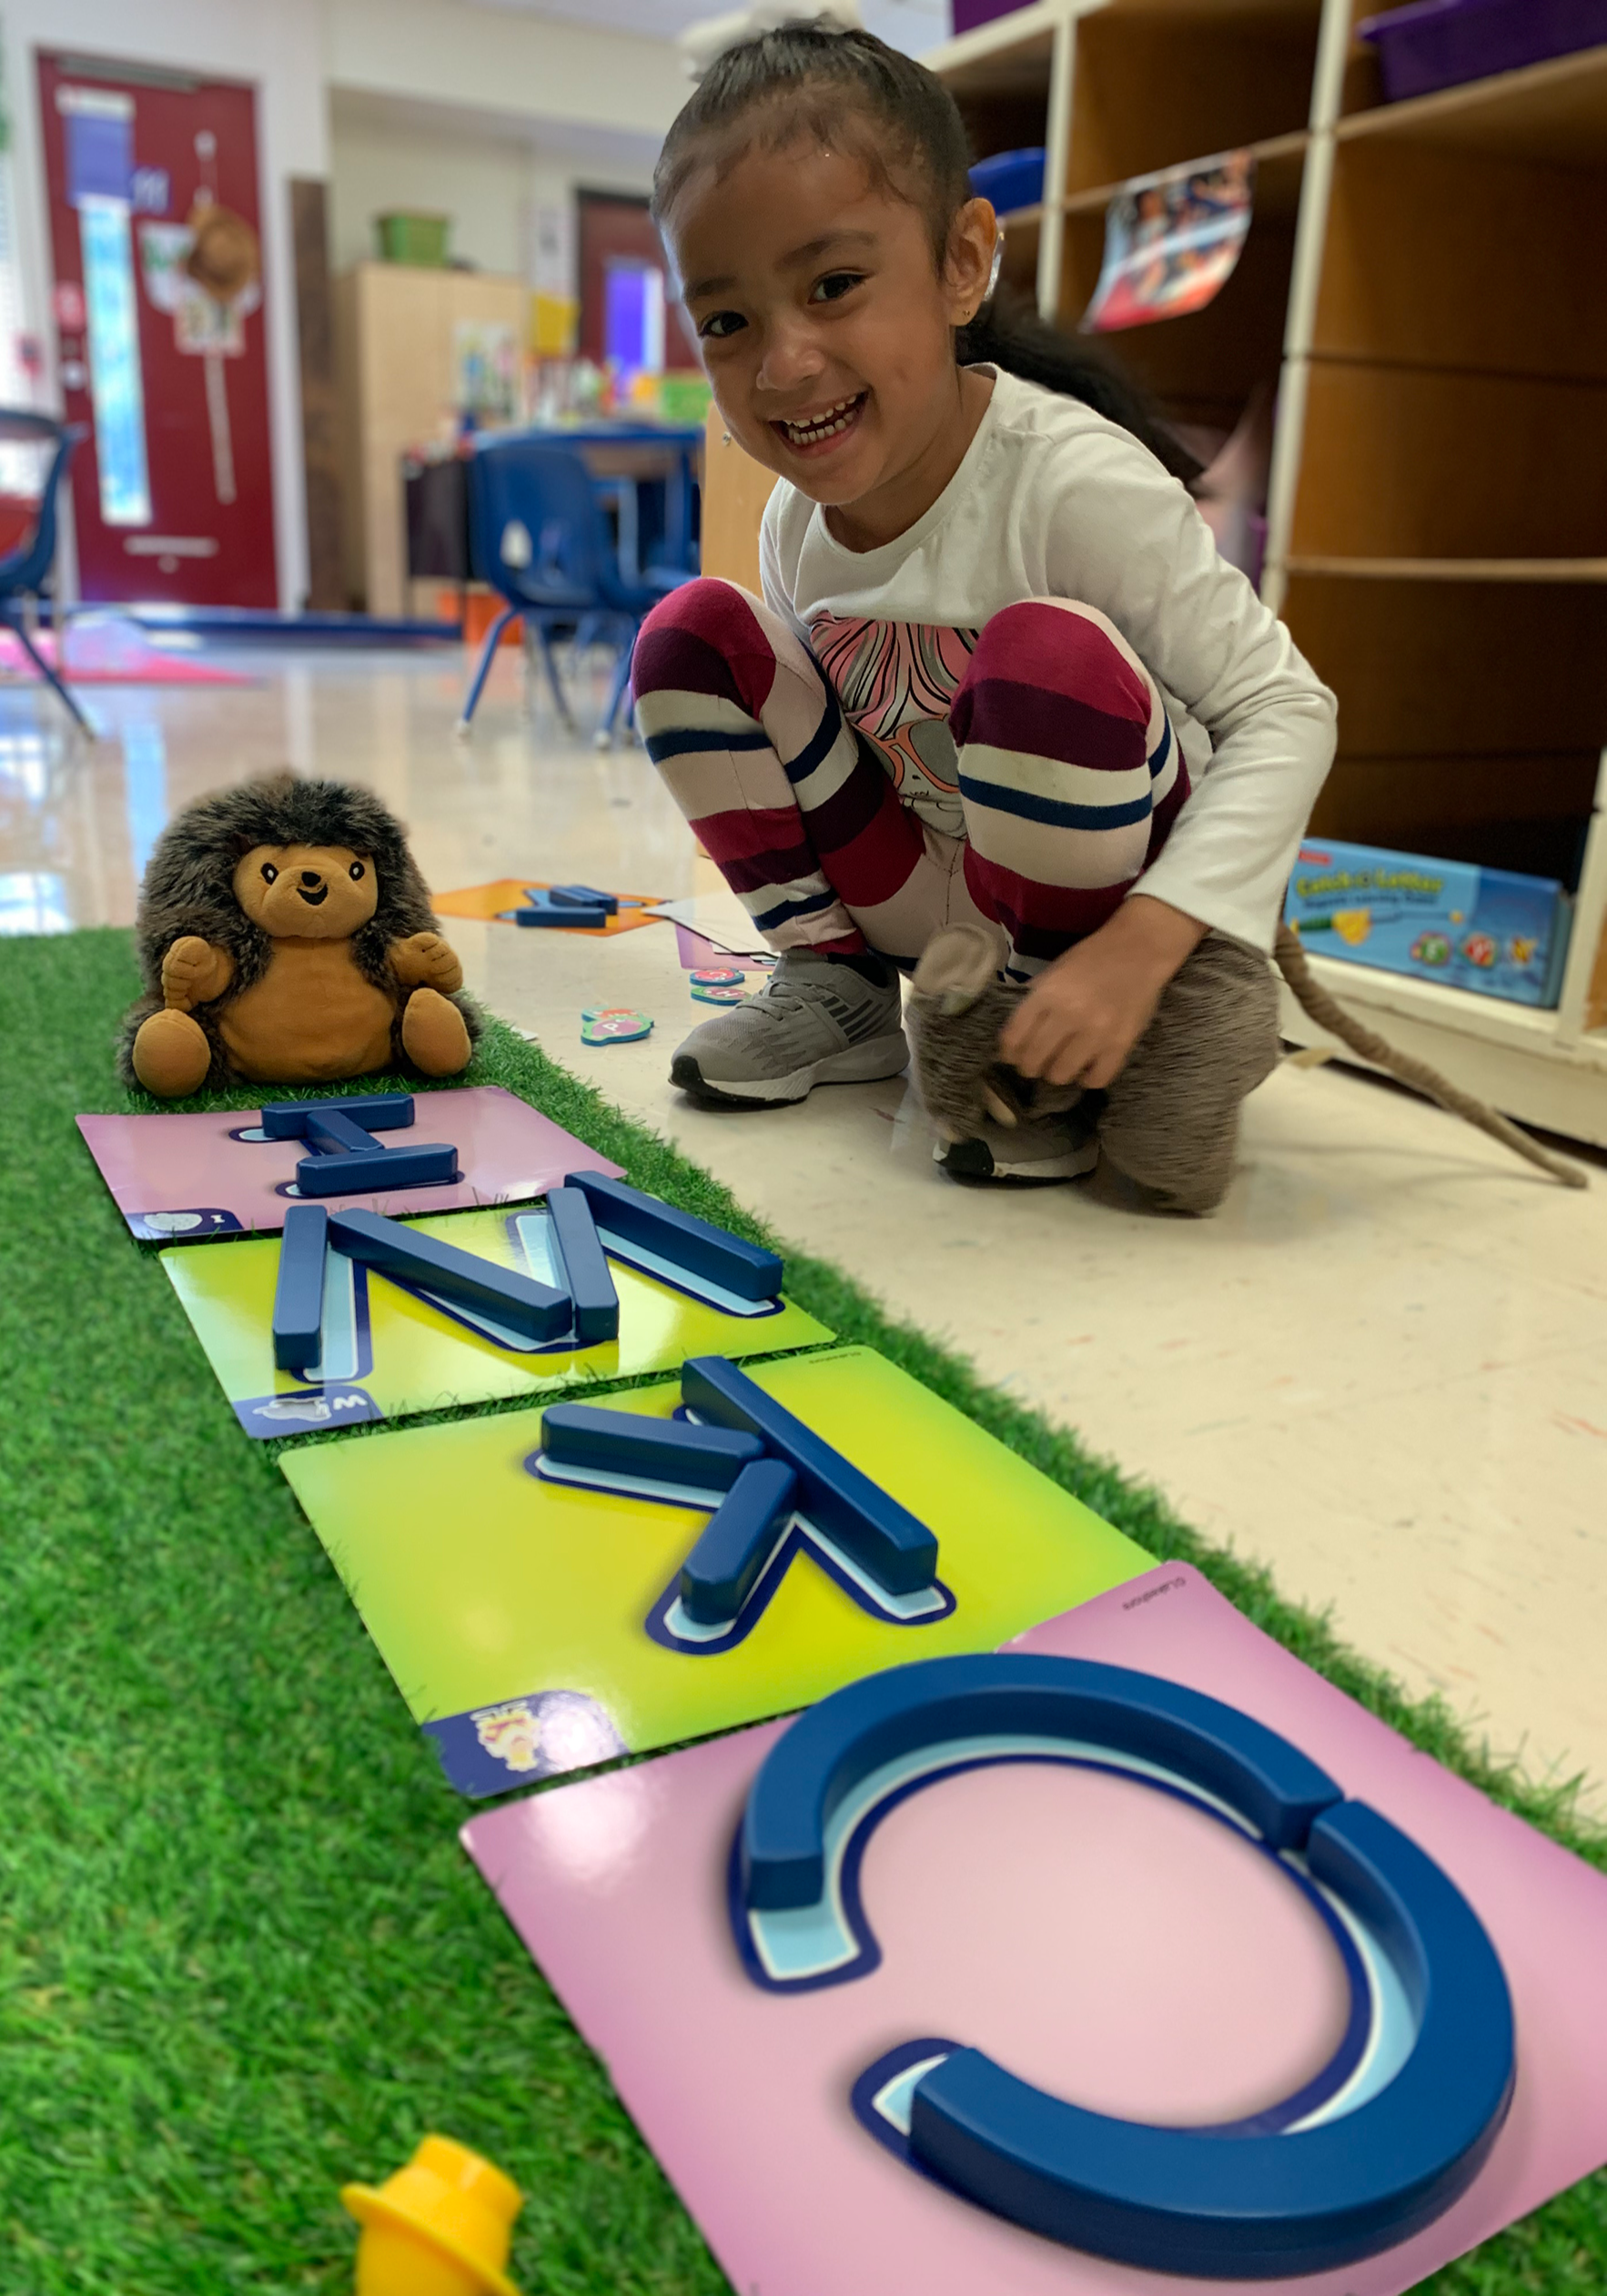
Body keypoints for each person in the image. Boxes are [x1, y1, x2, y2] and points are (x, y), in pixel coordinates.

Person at [632, 19, 1337, 1212]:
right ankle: (837, 989)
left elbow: (1285, 709)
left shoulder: (1071, 484)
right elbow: (822, 759)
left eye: (834, 285)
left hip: (1099, 900)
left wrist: (1145, 942)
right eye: (727, 321)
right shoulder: (797, 519)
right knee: (693, 634)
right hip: (939, 900)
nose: (783, 363)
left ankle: (1047, 1050)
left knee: (1042, 656)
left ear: (962, 262)